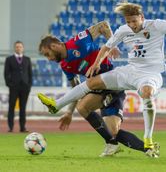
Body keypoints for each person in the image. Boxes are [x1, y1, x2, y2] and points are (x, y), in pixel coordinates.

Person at [37, 2, 166, 151]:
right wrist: (98, 61)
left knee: (144, 93)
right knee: (95, 92)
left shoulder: (155, 25)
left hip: (146, 74)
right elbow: (104, 49)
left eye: (134, 21)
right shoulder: (123, 30)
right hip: (128, 71)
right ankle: (57, 106)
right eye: (128, 22)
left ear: (142, 18)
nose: (131, 25)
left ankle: (147, 138)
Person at [38, 21, 159, 157]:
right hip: (97, 87)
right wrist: (69, 113)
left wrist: (112, 43)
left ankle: (111, 144)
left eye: (47, 54)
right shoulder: (65, 66)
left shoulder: (78, 42)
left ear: (54, 46)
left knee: (83, 107)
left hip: (111, 81)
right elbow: (76, 91)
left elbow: (103, 25)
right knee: (112, 132)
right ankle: (148, 149)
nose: (48, 59)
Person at [4, 41, 32, 132]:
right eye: (17, 47)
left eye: (20, 47)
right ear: (14, 48)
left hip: (25, 87)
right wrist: (9, 84)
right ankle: (10, 127)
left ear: (23, 48)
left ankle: (22, 127)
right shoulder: (9, 59)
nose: (18, 48)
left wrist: (29, 85)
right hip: (14, 87)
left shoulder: (27, 59)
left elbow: (30, 73)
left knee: (23, 108)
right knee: (11, 107)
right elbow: (6, 73)